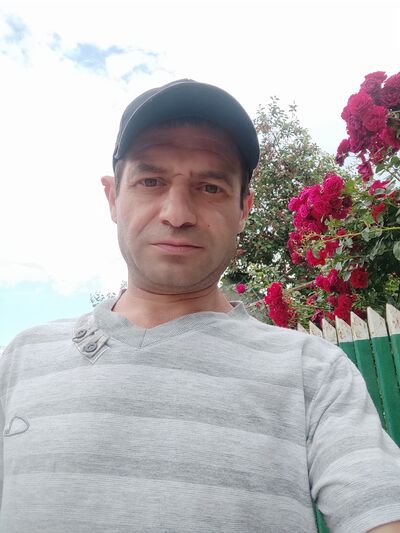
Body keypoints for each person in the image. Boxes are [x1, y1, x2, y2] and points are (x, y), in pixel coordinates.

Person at [1, 79, 400, 533]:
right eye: (150, 181)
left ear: (244, 208)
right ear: (113, 198)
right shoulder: (21, 360)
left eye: (210, 187)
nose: (177, 214)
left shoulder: (313, 374)